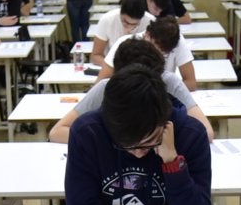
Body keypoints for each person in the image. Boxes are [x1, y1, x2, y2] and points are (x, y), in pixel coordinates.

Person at [65, 64, 212, 205]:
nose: (138, 153)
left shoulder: (190, 135)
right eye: (125, 145)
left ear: (165, 121)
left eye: (150, 142)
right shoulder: (88, 133)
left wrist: (172, 162)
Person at [50, 37, 209, 142]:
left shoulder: (169, 82)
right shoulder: (106, 88)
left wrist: (159, 141)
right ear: (118, 78)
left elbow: (206, 131)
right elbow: (57, 132)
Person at [89, 0, 152, 69]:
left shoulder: (150, 22)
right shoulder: (107, 20)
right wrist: (115, 67)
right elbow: (95, 56)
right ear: (120, 12)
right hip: (113, 69)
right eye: (125, 22)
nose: (129, 28)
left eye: (134, 24)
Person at [141, 16, 198, 92]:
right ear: (147, 35)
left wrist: (163, 92)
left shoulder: (177, 42)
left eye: (163, 53)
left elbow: (191, 83)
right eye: (155, 48)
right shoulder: (127, 44)